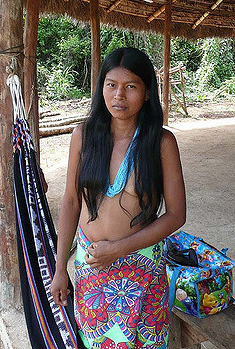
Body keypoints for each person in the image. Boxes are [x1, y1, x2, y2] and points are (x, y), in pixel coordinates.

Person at [50, 47, 186, 349]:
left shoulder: (161, 142)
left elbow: (177, 215)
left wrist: (119, 249)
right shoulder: (83, 135)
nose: (119, 96)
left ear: (147, 92)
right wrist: (60, 268)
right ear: (102, 89)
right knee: (95, 341)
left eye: (131, 86)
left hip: (142, 268)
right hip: (92, 266)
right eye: (111, 85)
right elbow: (71, 201)